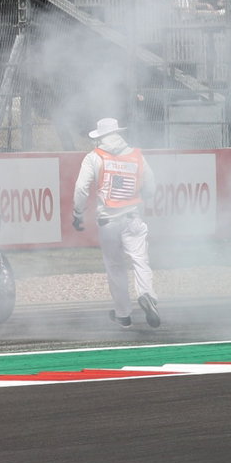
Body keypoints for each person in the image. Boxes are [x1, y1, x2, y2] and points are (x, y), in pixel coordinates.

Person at [72, 117, 160, 329]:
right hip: (133, 218)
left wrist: (77, 213)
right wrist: (144, 196)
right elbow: (151, 186)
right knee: (140, 260)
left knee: (115, 267)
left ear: (100, 137)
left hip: (108, 221)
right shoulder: (136, 156)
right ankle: (147, 294)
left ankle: (123, 315)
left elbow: (81, 188)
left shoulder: (94, 157)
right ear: (118, 134)